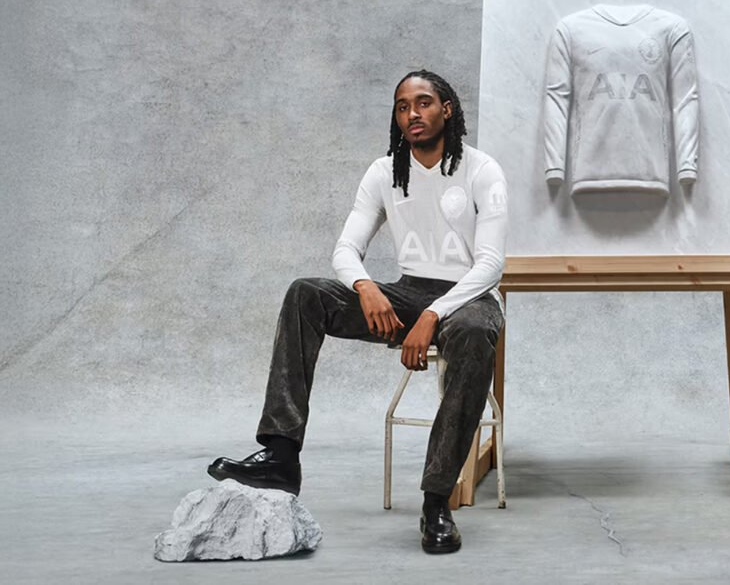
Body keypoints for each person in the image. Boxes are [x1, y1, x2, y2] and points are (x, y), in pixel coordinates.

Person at [207, 70, 508, 555]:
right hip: (408, 293)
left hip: (470, 300)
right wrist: (365, 287)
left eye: (424, 102)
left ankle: (436, 502)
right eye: (402, 106)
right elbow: (346, 248)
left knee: (472, 332)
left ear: (447, 108)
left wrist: (432, 316)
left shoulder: (482, 170)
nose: (413, 113)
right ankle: (281, 457)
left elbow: (491, 264)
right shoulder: (384, 172)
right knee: (306, 294)